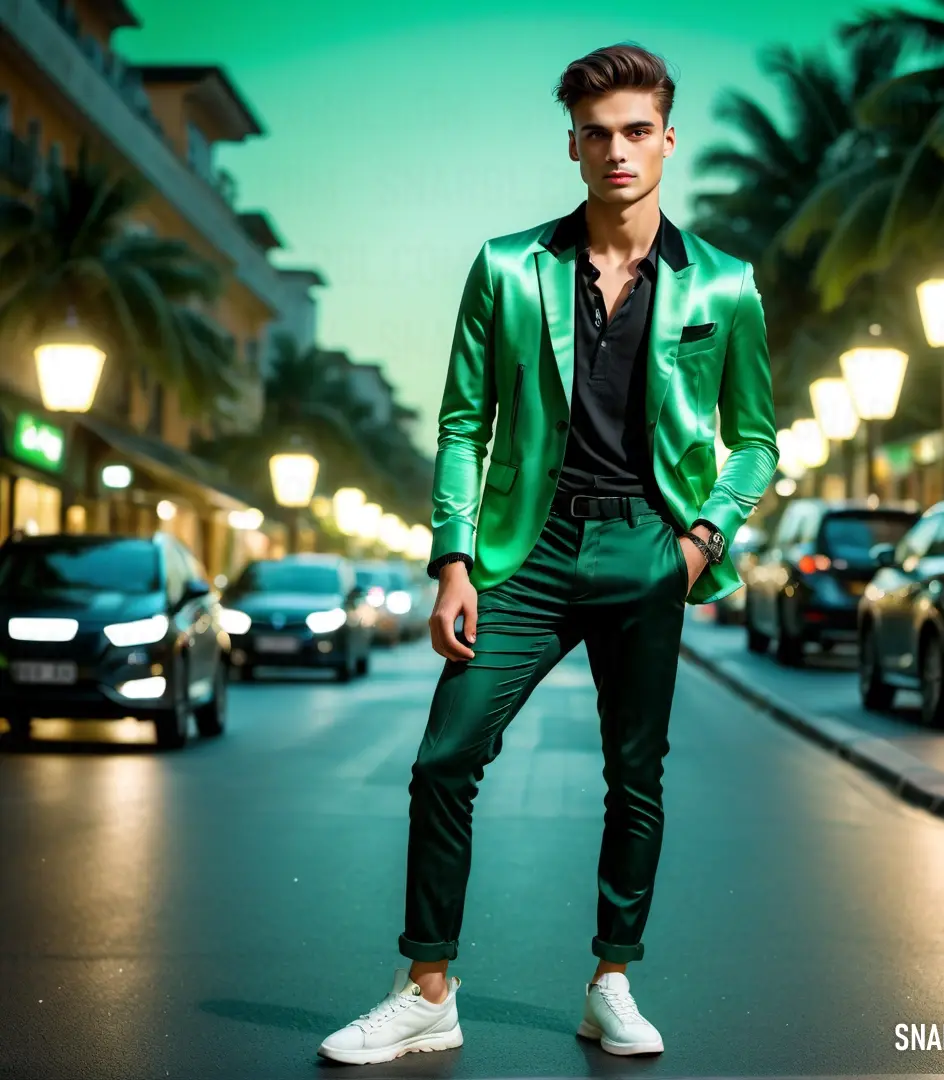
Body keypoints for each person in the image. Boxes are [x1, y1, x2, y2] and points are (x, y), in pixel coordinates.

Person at [318, 41, 778, 1066]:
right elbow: (460, 420)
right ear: (572, 144)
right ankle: (427, 987)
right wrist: (452, 560)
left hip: (648, 549)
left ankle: (612, 980)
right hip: (525, 552)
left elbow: (756, 441)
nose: (617, 151)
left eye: (635, 132)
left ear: (667, 138)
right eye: (597, 134)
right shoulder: (507, 268)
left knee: (635, 775)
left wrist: (700, 541)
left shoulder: (727, 289)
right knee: (445, 761)